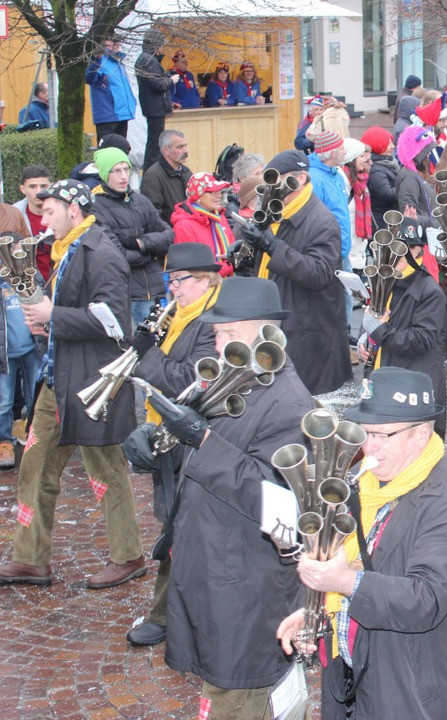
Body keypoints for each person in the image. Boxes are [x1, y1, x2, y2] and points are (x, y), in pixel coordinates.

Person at [123, 276, 313, 716]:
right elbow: (206, 453)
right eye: (218, 333)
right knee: (222, 687)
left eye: (231, 333)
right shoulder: (236, 379)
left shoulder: (289, 402)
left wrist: (203, 442)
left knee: (241, 694)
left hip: (249, 588)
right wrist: (158, 445)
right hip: (216, 571)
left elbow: (282, 507)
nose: (220, 342)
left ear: (268, 334)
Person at [276, 367, 447, 719]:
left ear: (421, 434)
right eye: (364, 433)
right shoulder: (365, 486)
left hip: (409, 694)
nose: (368, 447)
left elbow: (426, 599)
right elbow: (361, 569)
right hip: (353, 681)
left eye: (381, 435)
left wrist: (343, 582)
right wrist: (317, 611)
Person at [0, 179, 144, 589]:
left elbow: (115, 323)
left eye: (49, 211)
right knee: (35, 467)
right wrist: (48, 324)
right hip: (57, 379)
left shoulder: (102, 254)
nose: (42, 218)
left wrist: (53, 316)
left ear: (73, 211)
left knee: (106, 472)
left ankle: (129, 555)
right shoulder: (68, 249)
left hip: (90, 385)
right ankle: (30, 559)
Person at [124, 243, 221, 647]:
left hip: (195, 439)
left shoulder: (212, 322)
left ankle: (166, 614)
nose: (173, 290)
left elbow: (189, 380)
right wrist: (145, 341)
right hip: (169, 435)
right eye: (171, 281)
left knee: (179, 526)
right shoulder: (180, 316)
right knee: (175, 523)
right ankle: (174, 612)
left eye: (179, 281)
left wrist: (147, 356)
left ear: (204, 281)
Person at [236, 150, 352, 395]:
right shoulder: (278, 211)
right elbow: (265, 265)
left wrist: (271, 245)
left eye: (278, 180)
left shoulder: (321, 220)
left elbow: (319, 273)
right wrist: (245, 253)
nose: (272, 187)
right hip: (278, 322)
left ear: (299, 179)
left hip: (307, 335)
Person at [356, 219, 447, 435]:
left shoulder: (431, 292)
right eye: (393, 247)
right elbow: (375, 315)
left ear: (418, 250)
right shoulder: (386, 280)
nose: (397, 254)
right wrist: (365, 338)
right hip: (383, 376)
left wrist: (378, 331)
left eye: (406, 248)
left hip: (411, 387)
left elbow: (420, 341)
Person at [90, 147, 174, 326]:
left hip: (155, 290)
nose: (123, 176)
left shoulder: (140, 200)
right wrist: (152, 253)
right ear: (105, 174)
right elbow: (117, 255)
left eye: (126, 169)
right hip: (126, 295)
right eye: (116, 170)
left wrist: (142, 243)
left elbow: (168, 235)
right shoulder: (96, 208)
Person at [0, 233, 41, 469]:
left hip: (31, 347)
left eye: (18, 251)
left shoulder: (32, 275)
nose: (15, 257)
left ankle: (35, 437)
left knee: (34, 395)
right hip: (6, 351)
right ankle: (4, 441)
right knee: (4, 401)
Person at [171, 172, 236, 275]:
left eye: (219, 191)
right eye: (212, 192)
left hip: (227, 282)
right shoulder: (184, 226)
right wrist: (229, 266)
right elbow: (194, 269)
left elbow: (233, 247)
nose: (218, 195)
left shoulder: (219, 217)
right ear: (198, 196)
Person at [307, 131, 353, 270]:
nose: (345, 152)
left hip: (342, 252)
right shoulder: (314, 179)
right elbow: (313, 220)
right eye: (342, 149)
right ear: (333, 154)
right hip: (329, 255)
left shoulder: (336, 174)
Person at [135, 29, 173, 170]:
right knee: (155, 146)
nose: (162, 48)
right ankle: (151, 175)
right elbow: (157, 84)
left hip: (152, 107)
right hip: (155, 108)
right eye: (161, 45)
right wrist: (171, 81)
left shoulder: (145, 58)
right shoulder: (148, 60)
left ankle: (151, 174)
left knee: (154, 143)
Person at [86, 36, 137, 140]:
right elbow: (89, 79)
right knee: (107, 151)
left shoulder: (118, 61)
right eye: (113, 43)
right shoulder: (99, 60)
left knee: (121, 150)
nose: (117, 46)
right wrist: (96, 60)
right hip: (108, 115)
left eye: (118, 44)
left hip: (123, 114)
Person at [141, 130, 192, 225]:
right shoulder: (153, 176)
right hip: (171, 233)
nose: (186, 151)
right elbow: (153, 215)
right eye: (180, 147)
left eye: (185, 146)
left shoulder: (186, 172)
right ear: (166, 150)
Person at [15, 165, 53, 279]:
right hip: (30, 283)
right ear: (23, 189)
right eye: (32, 186)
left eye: (43, 186)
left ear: (51, 186)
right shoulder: (14, 216)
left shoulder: (64, 212)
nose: (39, 191)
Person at [361, 126, 399, 230]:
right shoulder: (376, 169)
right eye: (388, 143)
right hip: (383, 221)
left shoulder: (388, 162)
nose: (392, 146)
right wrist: (405, 187)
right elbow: (386, 194)